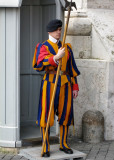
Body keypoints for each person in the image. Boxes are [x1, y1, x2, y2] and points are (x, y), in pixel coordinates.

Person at [32, 19, 80, 157]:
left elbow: (71, 68)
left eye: (60, 29)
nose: (59, 32)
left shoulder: (66, 46)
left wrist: (75, 85)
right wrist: (55, 58)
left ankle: (63, 144)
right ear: (50, 31)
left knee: (65, 114)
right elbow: (38, 65)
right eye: (57, 29)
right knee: (46, 115)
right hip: (50, 83)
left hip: (66, 83)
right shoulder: (43, 47)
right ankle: (46, 146)